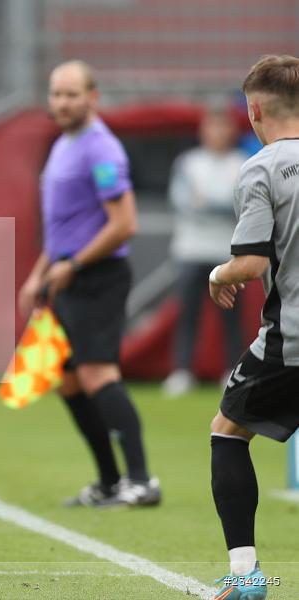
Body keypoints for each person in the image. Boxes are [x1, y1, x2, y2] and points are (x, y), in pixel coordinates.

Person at [18, 60, 160, 507]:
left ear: (93, 97)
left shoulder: (102, 149)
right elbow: (67, 226)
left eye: (71, 94)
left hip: (96, 277)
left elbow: (124, 223)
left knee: (99, 374)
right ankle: (108, 482)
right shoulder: (64, 143)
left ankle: (142, 481)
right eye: (56, 94)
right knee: (69, 381)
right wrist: (39, 273)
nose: (61, 102)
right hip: (65, 278)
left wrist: (73, 265)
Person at [206, 54, 299, 600]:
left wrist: (218, 274)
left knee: (227, 430)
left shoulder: (262, 166)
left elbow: (250, 265)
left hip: (290, 341)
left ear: (255, 109)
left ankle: (245, 579)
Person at [163, 107, 248, 397]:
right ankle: (182, 371)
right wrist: (219, 204)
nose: (218, 133)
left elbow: (243, 206)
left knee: (232, 317)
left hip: (228, 254)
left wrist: (207, 203)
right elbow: (181, 201)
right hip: (190, 251)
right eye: (212, 127)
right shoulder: (188, 163)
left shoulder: (243, 164)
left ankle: (232, 372)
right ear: (203, 131)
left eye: (223, 127)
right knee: (187, 314)